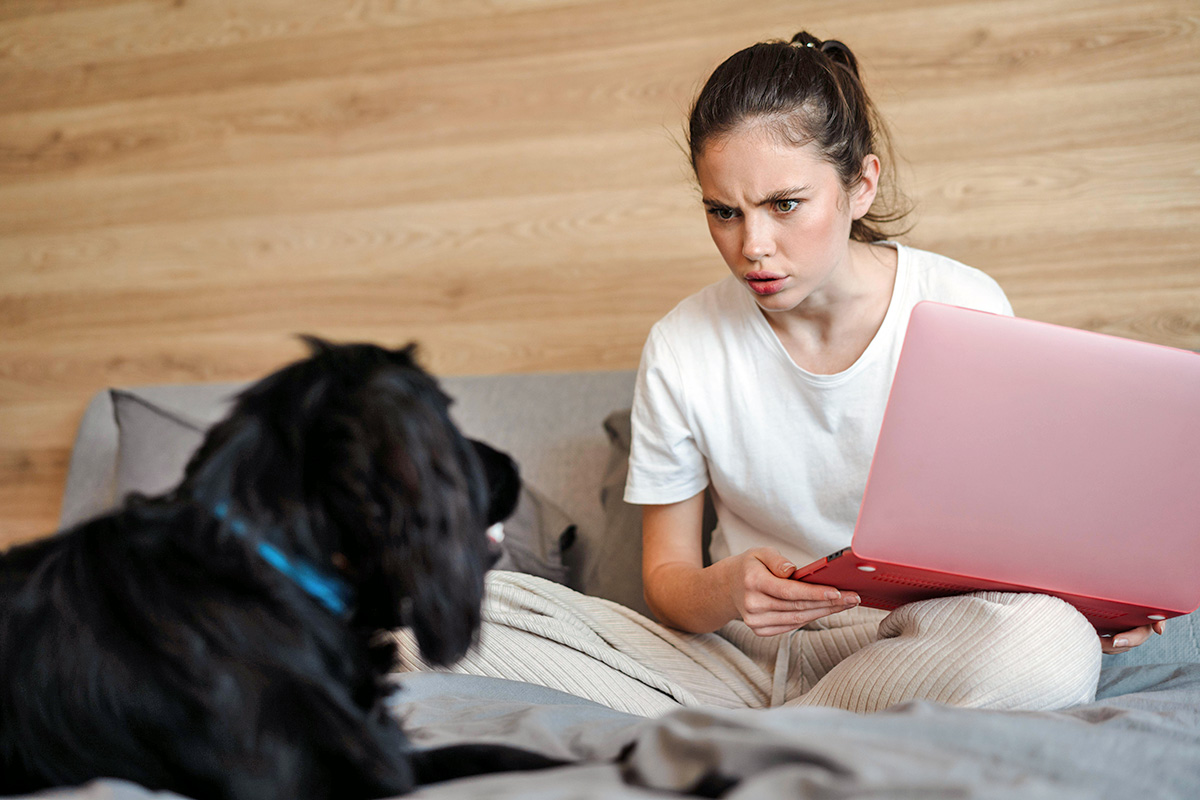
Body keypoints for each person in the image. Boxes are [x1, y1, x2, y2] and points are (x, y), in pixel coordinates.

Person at [393, 31, 1161, 717]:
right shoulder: (682, 344)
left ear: (861, 184)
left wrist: (1092, 604)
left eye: (785, 204)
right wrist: (726, 588)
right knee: (420, 618)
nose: (752, 245)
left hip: (908, 639)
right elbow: (667, 578)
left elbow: (1018, 534)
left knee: (1048, 645)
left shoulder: (961, 303)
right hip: (730, 658)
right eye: (723, 212)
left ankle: (765, 735)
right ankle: (806, 731)